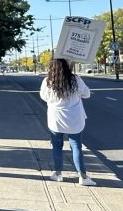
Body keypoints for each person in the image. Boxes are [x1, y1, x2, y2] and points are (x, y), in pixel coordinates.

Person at [39, 57, 96, 186]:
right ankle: (83, 177)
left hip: (56, 119)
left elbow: (43, 96)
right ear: (66, 67)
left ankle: (58, 174)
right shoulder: (75, 79)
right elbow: (86, 94)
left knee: (57, 147)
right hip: (74, 118)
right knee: (76, 146)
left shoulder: (47, 81)